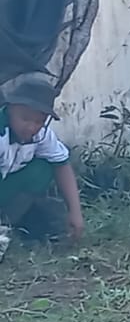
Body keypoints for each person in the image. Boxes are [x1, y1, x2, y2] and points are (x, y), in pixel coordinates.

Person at [0, 77, 85, 240]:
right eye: (25, 118)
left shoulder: (42, 134)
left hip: (7, 187)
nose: (31, 127)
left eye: (39, 121)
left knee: (42, 169)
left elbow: (62, 165)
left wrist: (75, 212)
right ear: (10, 109)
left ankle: (7, 224)